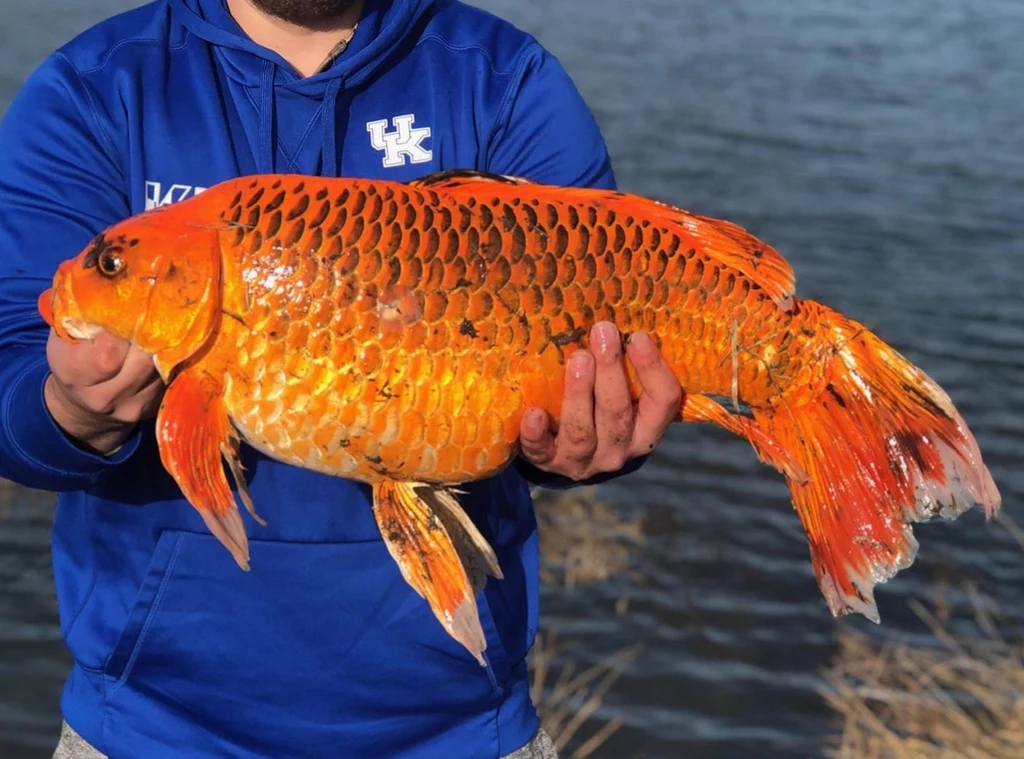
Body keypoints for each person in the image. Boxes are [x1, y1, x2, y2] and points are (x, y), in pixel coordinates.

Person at [0, 1, 683, 757]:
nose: (100, 273)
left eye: (111, 265)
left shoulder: (504, 81)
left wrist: (590, 439)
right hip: (144, 729)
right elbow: (11, 385)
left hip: (462, 732)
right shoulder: (93, 88)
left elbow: (613, 367)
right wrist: (67, 410)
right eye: (111, 264)